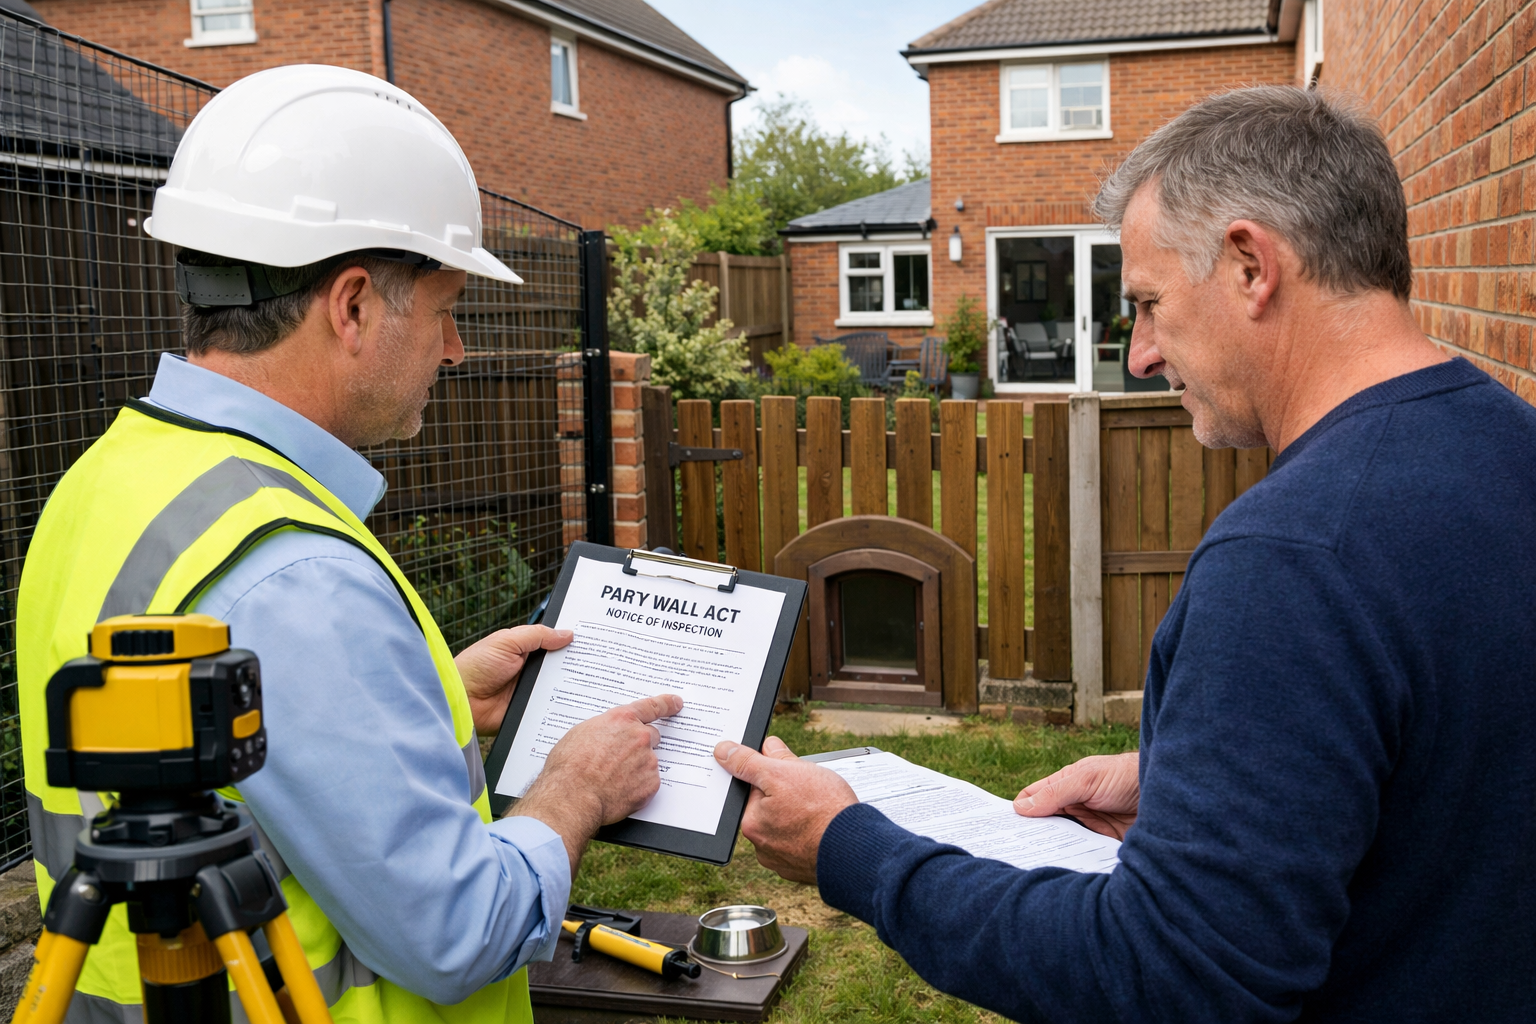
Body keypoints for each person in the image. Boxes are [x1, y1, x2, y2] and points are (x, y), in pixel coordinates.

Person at [714, 86, 1536, 1021]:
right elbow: (1472, 755)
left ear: (1248, 264)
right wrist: (1218, 778)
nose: (1140, 353)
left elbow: (1170, 978)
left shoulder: (1293, 554)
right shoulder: (1511, 444)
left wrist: (847, 849)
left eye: (1147, 303)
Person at [18, 64, 679, 1024]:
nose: (455, 351)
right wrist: (575, 790)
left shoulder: (110, 482)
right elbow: (460, 934)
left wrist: (436, 687)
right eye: (447, 308)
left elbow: (212, 747)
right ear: (355, 305)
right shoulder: (298, 574)